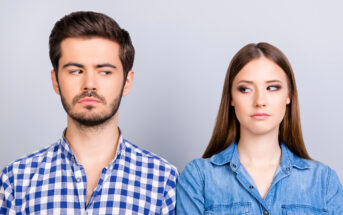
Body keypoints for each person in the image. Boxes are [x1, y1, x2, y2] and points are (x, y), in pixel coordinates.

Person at [0, 11, 177, 214]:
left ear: (127, 82)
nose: (89, 84)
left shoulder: (162, 180)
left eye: (105, 71)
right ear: (55, 80)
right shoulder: (16, 179)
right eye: (76, 71)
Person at [177, 42, 343, 214]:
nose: (260, 101)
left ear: (289, 96)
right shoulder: (198, 178)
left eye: (272, 87)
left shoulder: (324, 182)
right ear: (231, 97)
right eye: (245, 89)